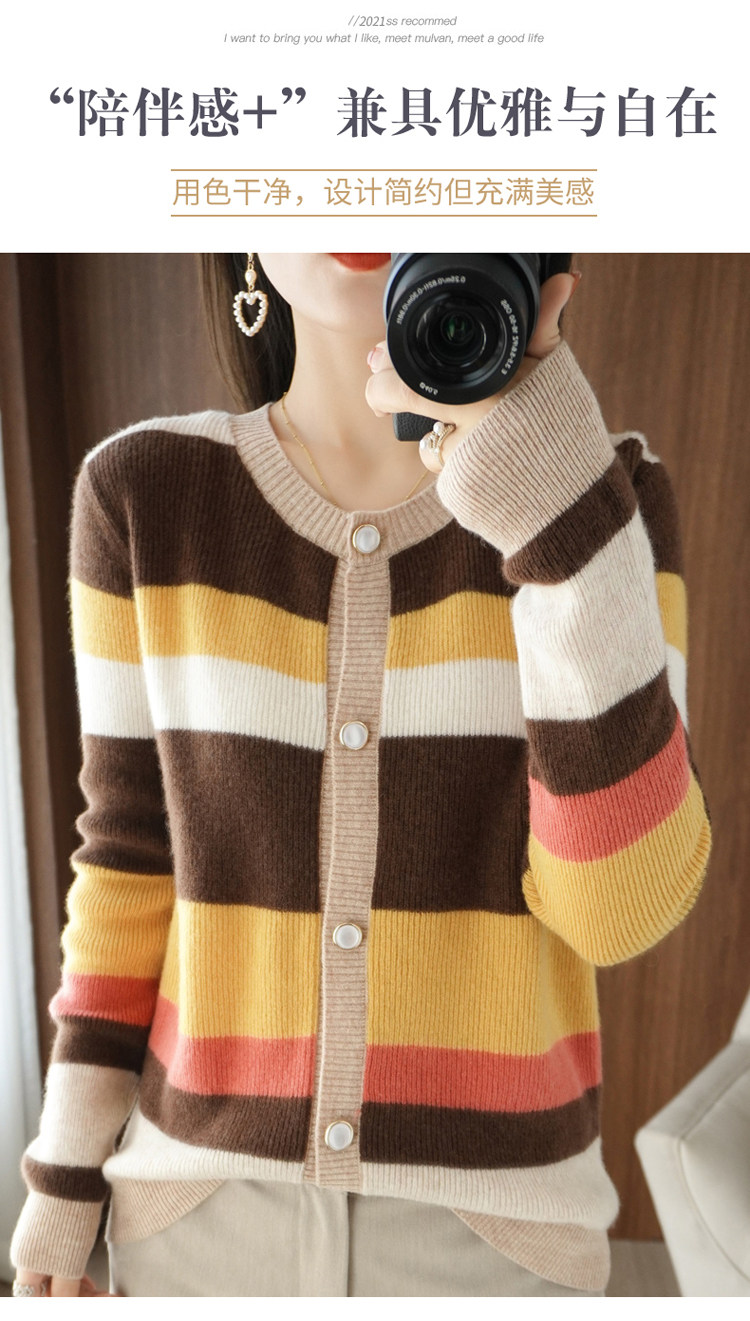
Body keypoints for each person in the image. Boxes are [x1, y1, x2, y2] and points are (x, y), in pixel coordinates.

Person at [10, 252, 712, 1298]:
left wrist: (557, 513)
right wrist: (65, 1178)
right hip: (194, 1225)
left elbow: (622, 910)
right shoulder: (142, 492)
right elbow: (126, 863)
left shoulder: (604, 499)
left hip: (494, 1244)